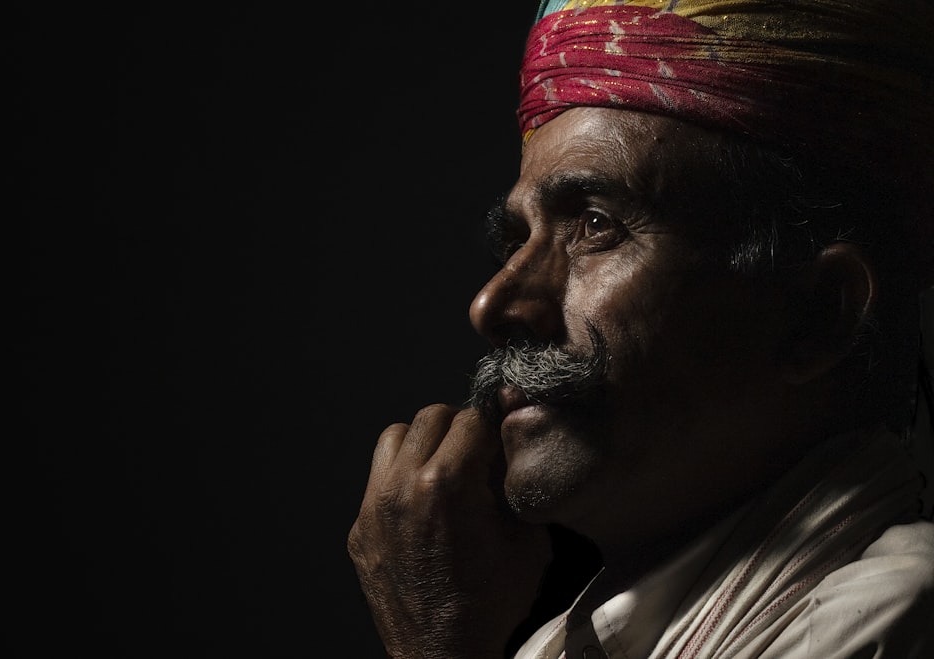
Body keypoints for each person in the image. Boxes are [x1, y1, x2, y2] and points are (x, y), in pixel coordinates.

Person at [347, 1, 934, 657]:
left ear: (818, 314)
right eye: (516, 241)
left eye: (596, 225)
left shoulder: (891, 622)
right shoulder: (567, 643)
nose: (493, 303)